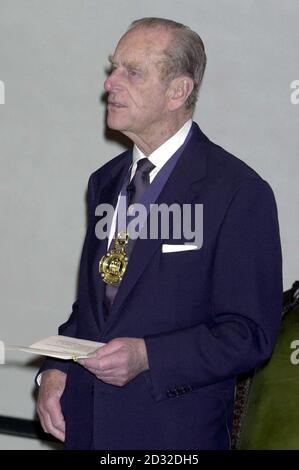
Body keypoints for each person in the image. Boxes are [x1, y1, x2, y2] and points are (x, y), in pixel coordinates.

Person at [36, 17, 282, 450]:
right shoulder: (105, 181)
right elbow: (96, 309)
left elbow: (249, 334)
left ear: (178, 92)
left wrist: (147, 356)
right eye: (113, 68)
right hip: (87, 430)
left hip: (171, 437)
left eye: (132, 71)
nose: (110, 83)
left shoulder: (237, 192)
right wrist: (57, 372)